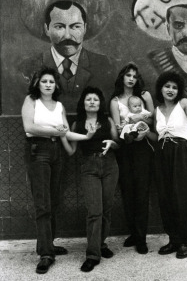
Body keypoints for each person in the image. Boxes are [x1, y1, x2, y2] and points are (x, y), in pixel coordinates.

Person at [21, 67, 93, 274]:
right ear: (37, 83)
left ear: (56, 85)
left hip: (56, 151)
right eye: (44, 81)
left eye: (51, 82)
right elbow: (29, 126)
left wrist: (86, 137)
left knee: (54, 201)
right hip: (38, 150)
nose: (48, 85)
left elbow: (66, 133)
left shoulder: (59, 105)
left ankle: (47, 244)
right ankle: (45, 254)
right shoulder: (31, 101)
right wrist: (55, 131)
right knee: (43, 204)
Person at [62, 86, 119, 273]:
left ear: (100, 103)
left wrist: (112, 143)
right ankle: (92, 255)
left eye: (95, 99)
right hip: (89, 168)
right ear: (83, 103)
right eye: (88, 99)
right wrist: (62, 135)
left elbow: (118, 143)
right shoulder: (77, 124)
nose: (92, 102)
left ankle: (101, 244)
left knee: (106, 209)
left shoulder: (107, 120)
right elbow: (71, 151)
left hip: (110, 165)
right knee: (95, 211)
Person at [20, 0, 114, 111]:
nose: (68, 36)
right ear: (47, 29)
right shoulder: (27, 66)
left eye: (75, 27)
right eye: (59, 27)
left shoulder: (105, 64)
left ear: (85, 28)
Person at [153, 71, 187, 259]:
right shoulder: (157, 110)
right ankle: (173, 239)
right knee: (166, 197)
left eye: (174, 87)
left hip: (180, 153)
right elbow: (155, 134)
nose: (171, 90)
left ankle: (184, 242)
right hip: (162, 154)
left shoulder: (183, 104)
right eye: (167, 86)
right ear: (161, 88)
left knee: (183, 198)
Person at [110, 62, 154, 254]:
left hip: (143, 147)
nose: (131, 78)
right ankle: (134, 233)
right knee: (127, 191)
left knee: (142, 192)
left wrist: (140, 121)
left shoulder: (144, 96)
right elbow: (118, 127)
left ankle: (142, 238)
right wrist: (124, 127)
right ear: (122, 77)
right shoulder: (115, 101)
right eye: (128, 75)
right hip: (125, 149)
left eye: (134, 76)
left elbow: (153, 119)